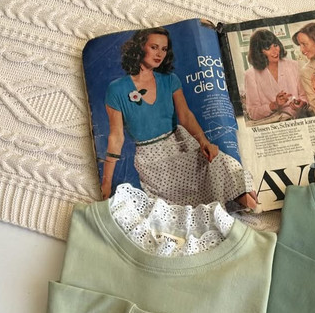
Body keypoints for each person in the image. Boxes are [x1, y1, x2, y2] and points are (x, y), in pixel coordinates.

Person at [102, 27, 256, 209]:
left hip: (182, 143)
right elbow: (116, 137)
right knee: (188, 206)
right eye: (154, 47)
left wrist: (204, 142)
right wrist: (106, 182)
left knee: (223, 163)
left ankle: (256, 208)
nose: (159, 54)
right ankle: (250, 210)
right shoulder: (117, 89)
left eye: (164, 49)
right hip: (153, 161)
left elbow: (185, 115)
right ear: (139, 47)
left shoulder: (170, 79)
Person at [243, 29, 307, 122]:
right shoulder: (250, 75)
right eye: (268, 48)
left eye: (275, 45)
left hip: (296, 120)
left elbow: (304, 97)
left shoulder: (293, 65)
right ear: (259, 51)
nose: (275, 51)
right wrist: (274, 105)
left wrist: (302, 104)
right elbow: (253, 113)